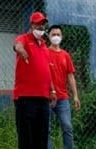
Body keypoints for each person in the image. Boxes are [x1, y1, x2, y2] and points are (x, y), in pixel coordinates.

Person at [13, 11, 57, 149]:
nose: (41, 27)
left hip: (43, 98)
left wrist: (52, 90)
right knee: (26, 139)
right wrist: (21, 50)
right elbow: (17, 45)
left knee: (41, 138)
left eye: (43, 24)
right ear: (32, 25)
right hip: (26, 98)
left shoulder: (44, 45)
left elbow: (46, 70)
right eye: (38, 24)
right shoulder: (24, 39)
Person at [47, 24, 80, 149]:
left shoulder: (65, 55)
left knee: (67, 126)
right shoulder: (45, 53)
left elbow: (71, 76)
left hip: (63, 98)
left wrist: (75, 96)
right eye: (53, 34)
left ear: (62, 37)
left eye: (58, 34)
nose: (56, 37)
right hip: (47, 97)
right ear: (49, 36)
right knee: (46, 129)